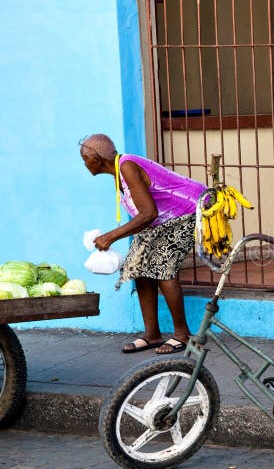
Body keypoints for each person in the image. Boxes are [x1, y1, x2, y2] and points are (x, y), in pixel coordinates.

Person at [79, 134, 205, 354]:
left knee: (163, 267)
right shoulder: (118, 171)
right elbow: (146, 214)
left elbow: (148, 213)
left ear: (96, 159)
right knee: (139, 267)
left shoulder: (127, 167)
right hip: (161, 220)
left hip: (185, 213)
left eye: (85, 159)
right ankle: (152, 334)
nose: (84, 163)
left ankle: (182, 335)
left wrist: (110, 236)